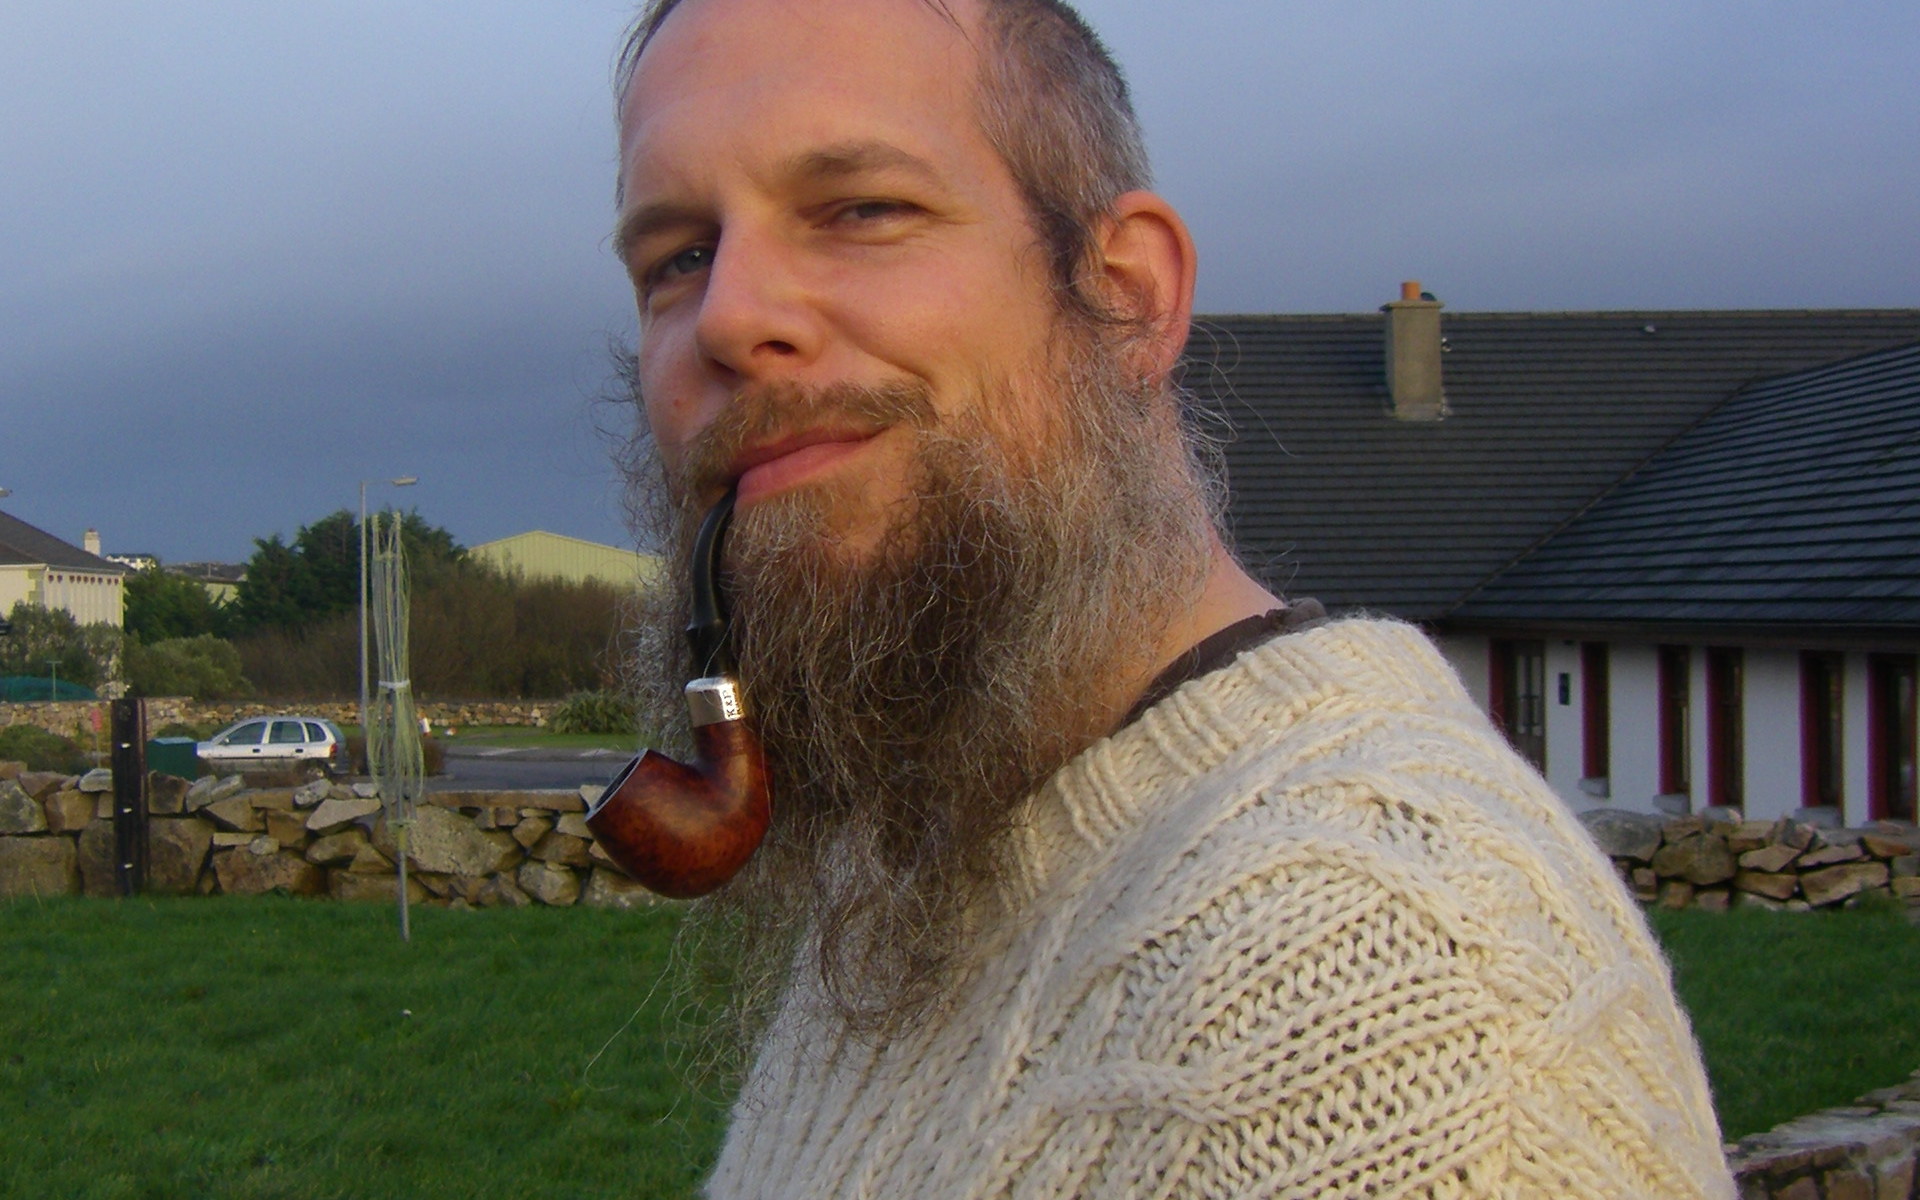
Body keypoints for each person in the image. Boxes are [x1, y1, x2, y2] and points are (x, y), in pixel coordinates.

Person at [610, 0, 1736, 1195]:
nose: (730, 317)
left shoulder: (1394, 1009)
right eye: (678, 257)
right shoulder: (923, 847)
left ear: (1126, 296)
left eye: (861, 209)